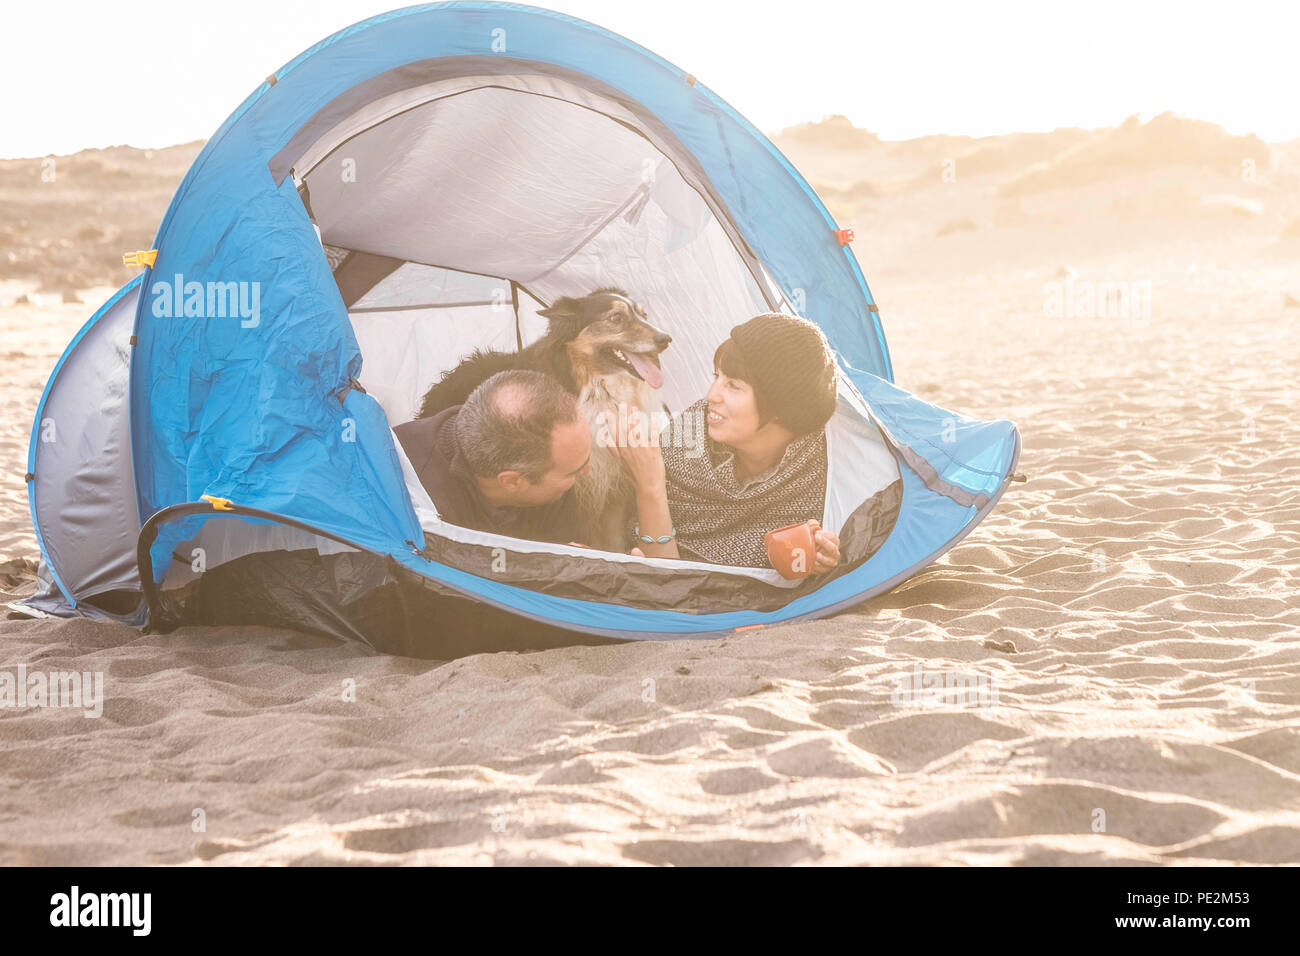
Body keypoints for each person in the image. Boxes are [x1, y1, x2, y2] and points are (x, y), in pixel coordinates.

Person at [610, 312, 843, 572]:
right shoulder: (687, 438)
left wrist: (821, 557)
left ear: (780, 407)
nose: (711, 395)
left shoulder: (818, 476)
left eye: (733, 385)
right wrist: (650, 486)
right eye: (716, 376)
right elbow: (661, 577)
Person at [393, 370, 590, 544]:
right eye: (573, 471)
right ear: (513, 482)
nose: (587, 470)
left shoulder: (546, 465)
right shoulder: (417, 509)